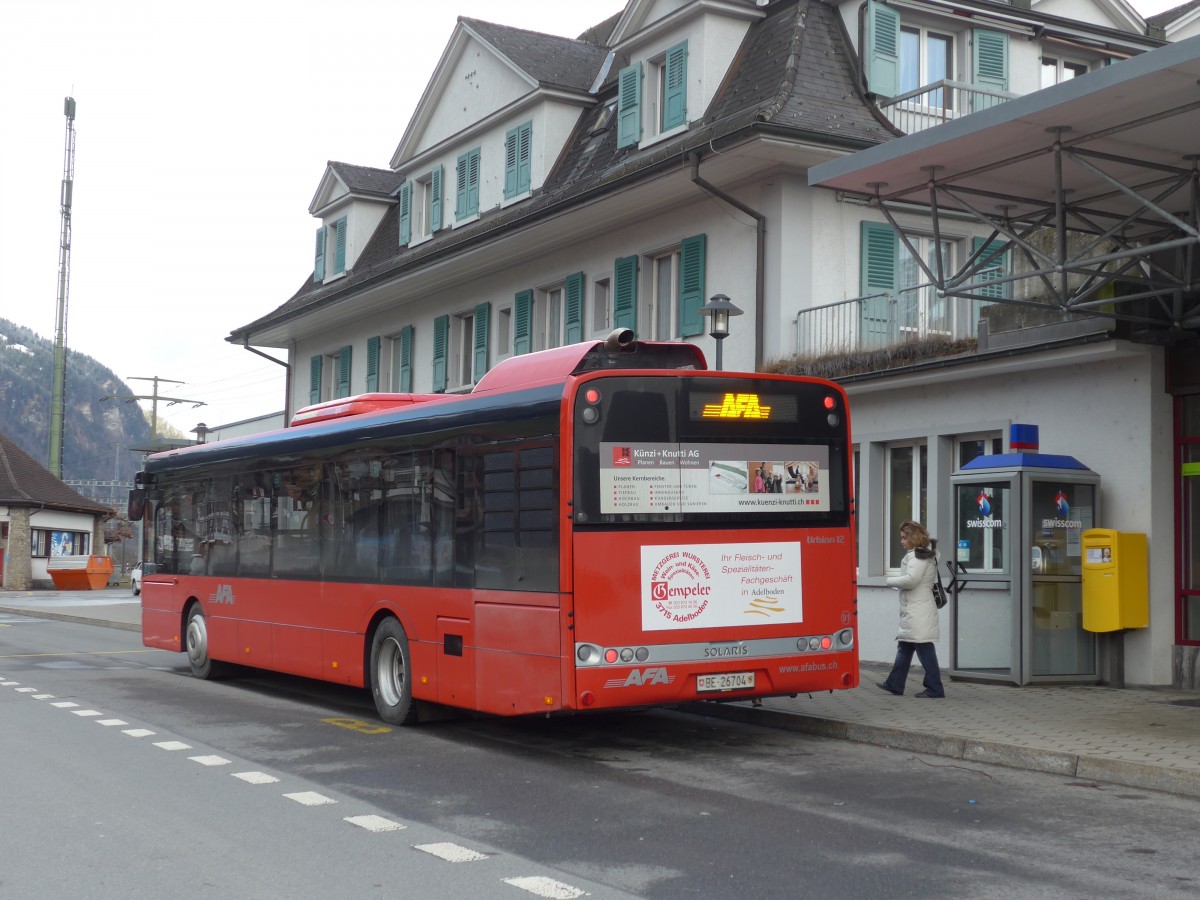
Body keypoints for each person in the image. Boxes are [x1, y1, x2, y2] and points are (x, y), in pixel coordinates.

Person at [877, 520, 946, 698]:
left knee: (924, 649)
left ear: (913, 538)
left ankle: (934, 688)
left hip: (918, 610)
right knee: (905, 647)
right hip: (917, 608)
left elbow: (910, 580)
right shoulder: (924, 555)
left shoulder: (917, 556)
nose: (901, 541)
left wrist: (888, 581)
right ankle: (895, 684)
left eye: (904, 538)